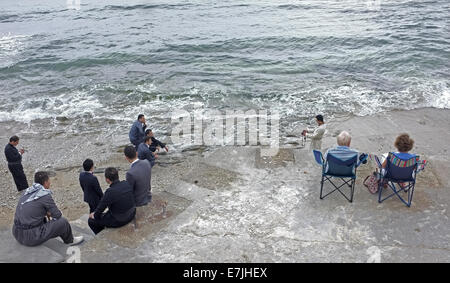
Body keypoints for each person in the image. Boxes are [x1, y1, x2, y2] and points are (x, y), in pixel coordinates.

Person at [12, 172, 84, 247]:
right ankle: (70, 241)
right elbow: (57, 215)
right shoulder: (44, 195)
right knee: (63, 222)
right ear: (46, 182)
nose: (50, 183)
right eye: (49, 181)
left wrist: (44, 212)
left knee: (39, 217)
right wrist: (48, 212)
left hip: (16, 232)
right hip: (30, 238)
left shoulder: (26, 191)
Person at [88, 167, 136, 235]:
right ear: (117, 176)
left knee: (90, 221)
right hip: (132, 213)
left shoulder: (110, 192)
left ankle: (101, 235)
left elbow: (100, 208)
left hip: (120, 220)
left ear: (107, 180)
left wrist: (94, 215)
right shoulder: (126, 183)